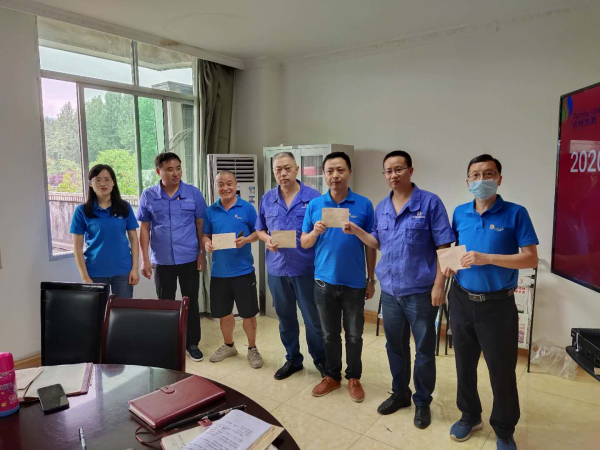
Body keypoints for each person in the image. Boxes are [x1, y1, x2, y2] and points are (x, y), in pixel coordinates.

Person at [343, 150, 455, 428]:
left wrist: (439, 285)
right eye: (388, 171)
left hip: (421, 291)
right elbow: (378, 242)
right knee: (395, 346)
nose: (393, 175)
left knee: (424, 349)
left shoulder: (429, 202)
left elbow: (444, 247)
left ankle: (423, 401)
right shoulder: (382, 207)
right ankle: (400, 394)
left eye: (398, 169)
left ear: (410, 171)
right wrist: (356, 230)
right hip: (391, 292)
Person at [442, 154, 538, 450]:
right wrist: (450, 265)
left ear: (499, 178)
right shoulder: (460, 212)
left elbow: (530, 258)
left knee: (501, 370)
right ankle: (469, 416)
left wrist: (488, 258)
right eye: (475, 175)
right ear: (467, 181)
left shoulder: (515, 213)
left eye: (488, 174)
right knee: (464, 364)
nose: (481, 180)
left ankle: (504, 429)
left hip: (497, 306)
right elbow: (454, 248)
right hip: (461, 298)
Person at [301, 151, 376, 403]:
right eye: (330, 171)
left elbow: (371, 245)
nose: (335, 175)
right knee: (329, 334)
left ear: (350, 172)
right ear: (324, 174)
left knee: (354, 335)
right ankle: (332, 376)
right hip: (324, 282)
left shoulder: (364, 204)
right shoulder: (315, 205)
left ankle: (354, 377)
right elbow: (304, 242)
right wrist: (314, 232)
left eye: (340, 170)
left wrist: (370, 279)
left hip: (354, 283)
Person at [255, 152, 326, 380]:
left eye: (287, 168)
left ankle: (321, 360)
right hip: (277, 269)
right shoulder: (267, 198)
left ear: (297, 169)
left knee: (312, 320)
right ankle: (293, 359)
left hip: (306, 268)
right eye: (278, 169)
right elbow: (259, 229)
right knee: (285, 319)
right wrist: (267, 239)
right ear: (273, 172)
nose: (283, 173)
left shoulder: (313, 197)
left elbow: (322, 231)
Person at [136, 152, 207, 362]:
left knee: (190, 301)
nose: (176, 173)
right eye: (169, 169)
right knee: (165, 303)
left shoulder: (193, 193)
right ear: (158, 172)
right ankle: (168, 342)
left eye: (178, 168)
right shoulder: (148, 195)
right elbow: (144, 228)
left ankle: (192, 343)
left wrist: (201, 254)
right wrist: (145, 259)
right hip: (162, 259)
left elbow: (200, 225)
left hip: (189, 257)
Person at [202, 171, 263, 369]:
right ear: (216, 186)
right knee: (224, 313)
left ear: (235, 185)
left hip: (243, 271)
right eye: (221, 184)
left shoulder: (247, 208)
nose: (225, 188)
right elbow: (205, 235)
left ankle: (252, 348)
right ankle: (229, 346)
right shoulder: (210, 210)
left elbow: (258, 233)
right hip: (219, 272)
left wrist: (246, 240)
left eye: (229, 183)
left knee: (248, 314)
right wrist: (207, 243)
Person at [71, 164, 140, 298]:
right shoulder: (82, 211)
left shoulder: (124, 207)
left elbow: (133, 240)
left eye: (107, 179)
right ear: (90, 183)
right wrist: (85, 277)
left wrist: (134, 269)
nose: (103, 183)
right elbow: (77, 247)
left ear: (113, 182)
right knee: (98, 310)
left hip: (123, 271)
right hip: (95, 272)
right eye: (98, 180)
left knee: (122, 309)